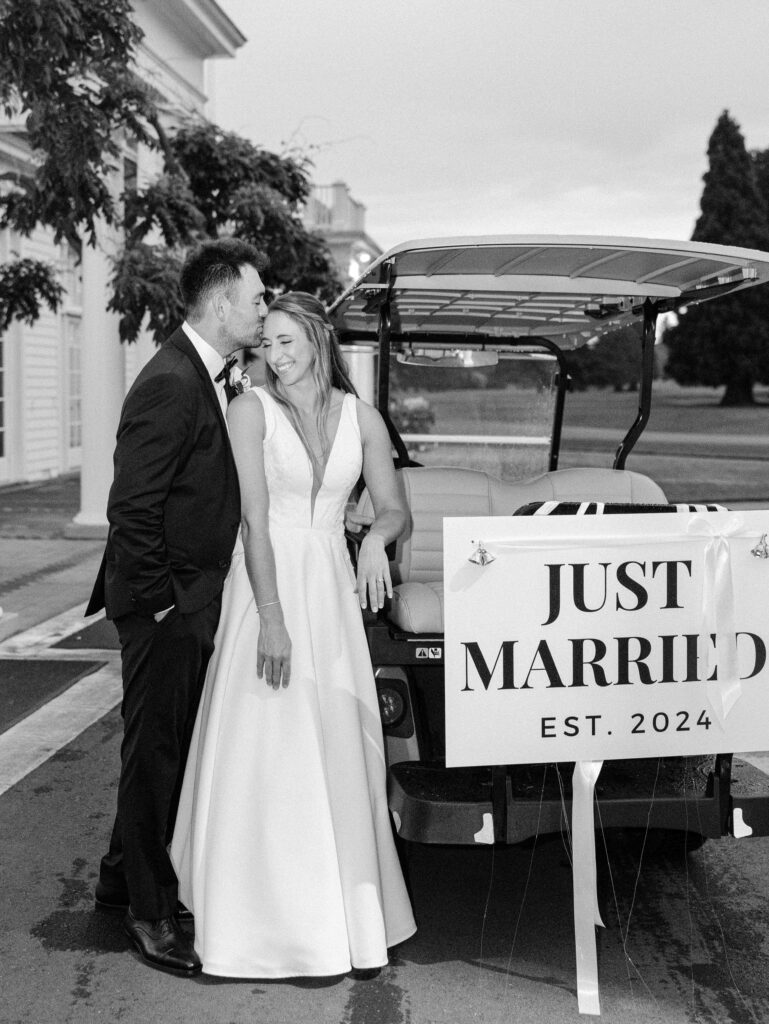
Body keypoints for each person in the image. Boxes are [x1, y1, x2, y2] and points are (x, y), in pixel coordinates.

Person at [170, 291, 417, 979]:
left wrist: (376, 541)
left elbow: (394, 507)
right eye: (265, 344)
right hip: (267, 584)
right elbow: (252, 520)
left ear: (316, 338)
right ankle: (254, 922)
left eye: (285, 341)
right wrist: (271, 619)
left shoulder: (360, 418)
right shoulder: (249, 409)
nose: (273, 357)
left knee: (333, 742)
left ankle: (340, 917)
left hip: (331, 590)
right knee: (268, 743)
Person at [86, 237, 268, 977]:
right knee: (156, 752)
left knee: (162, 746)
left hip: (191, 594)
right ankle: (152, 916)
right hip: (167, 602)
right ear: (220, 301)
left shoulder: (212, 371)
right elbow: (131, 507)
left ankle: (116, 880)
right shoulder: (170, 381)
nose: (264, 307)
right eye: (256, 297)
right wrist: (165, 605)